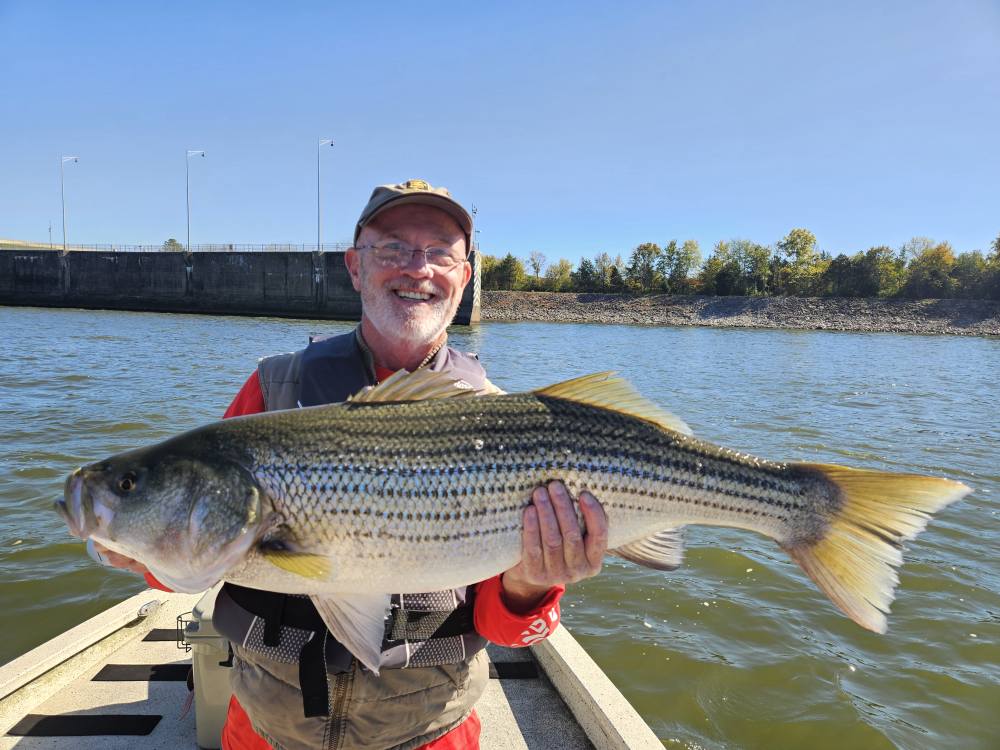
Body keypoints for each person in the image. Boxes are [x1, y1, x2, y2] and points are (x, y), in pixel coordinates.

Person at [97, 179, 608, 750]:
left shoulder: (512, 427)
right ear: (355, 266)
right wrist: (142, 548)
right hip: (267, 729)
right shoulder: (273, 388)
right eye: (392, 248)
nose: (417, 268)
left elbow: (504, 629)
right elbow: (196, 547)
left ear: (465, 276)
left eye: (440, 252)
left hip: (431, 733)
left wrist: (532, 582)